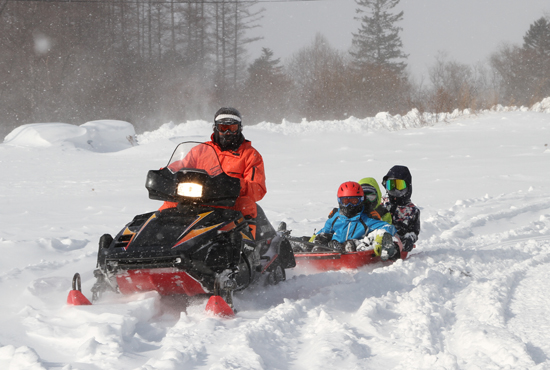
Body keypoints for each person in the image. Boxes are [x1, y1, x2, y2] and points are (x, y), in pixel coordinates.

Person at [158, 107, 267, 238]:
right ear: (215, 128)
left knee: (245, 205)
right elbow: (180, 167)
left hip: (229, 208)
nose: (227, 132)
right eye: (223, 127)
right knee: (169, 205)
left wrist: (234, 185)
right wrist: (166, 174)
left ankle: (244, 250)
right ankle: (152, 237)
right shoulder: (200, 151)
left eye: (232, 128)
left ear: (239, 128)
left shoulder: (250, 155)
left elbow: (257, 189)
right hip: (197, 204)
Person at [313, 181, 397, 258]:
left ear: (361, 200)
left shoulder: (366, 219)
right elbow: (324, 230)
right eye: (346, 201)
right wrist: (315, 239)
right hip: (333, 252)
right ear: (339, 201)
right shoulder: (336, 217)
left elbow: (387, 226)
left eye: (354, 201)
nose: (349, 205)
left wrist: (382, 236)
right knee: (319, 241)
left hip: (355, 253)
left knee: (349, 245)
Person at [381, 165, 421, 256]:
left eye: (399, 185)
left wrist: (409, 239)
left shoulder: (412, 211)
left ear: (407, 186)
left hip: (399, 245)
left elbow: (414, 231)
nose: (395, 190)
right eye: (391, 185)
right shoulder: (381, 203)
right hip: (380, 239)